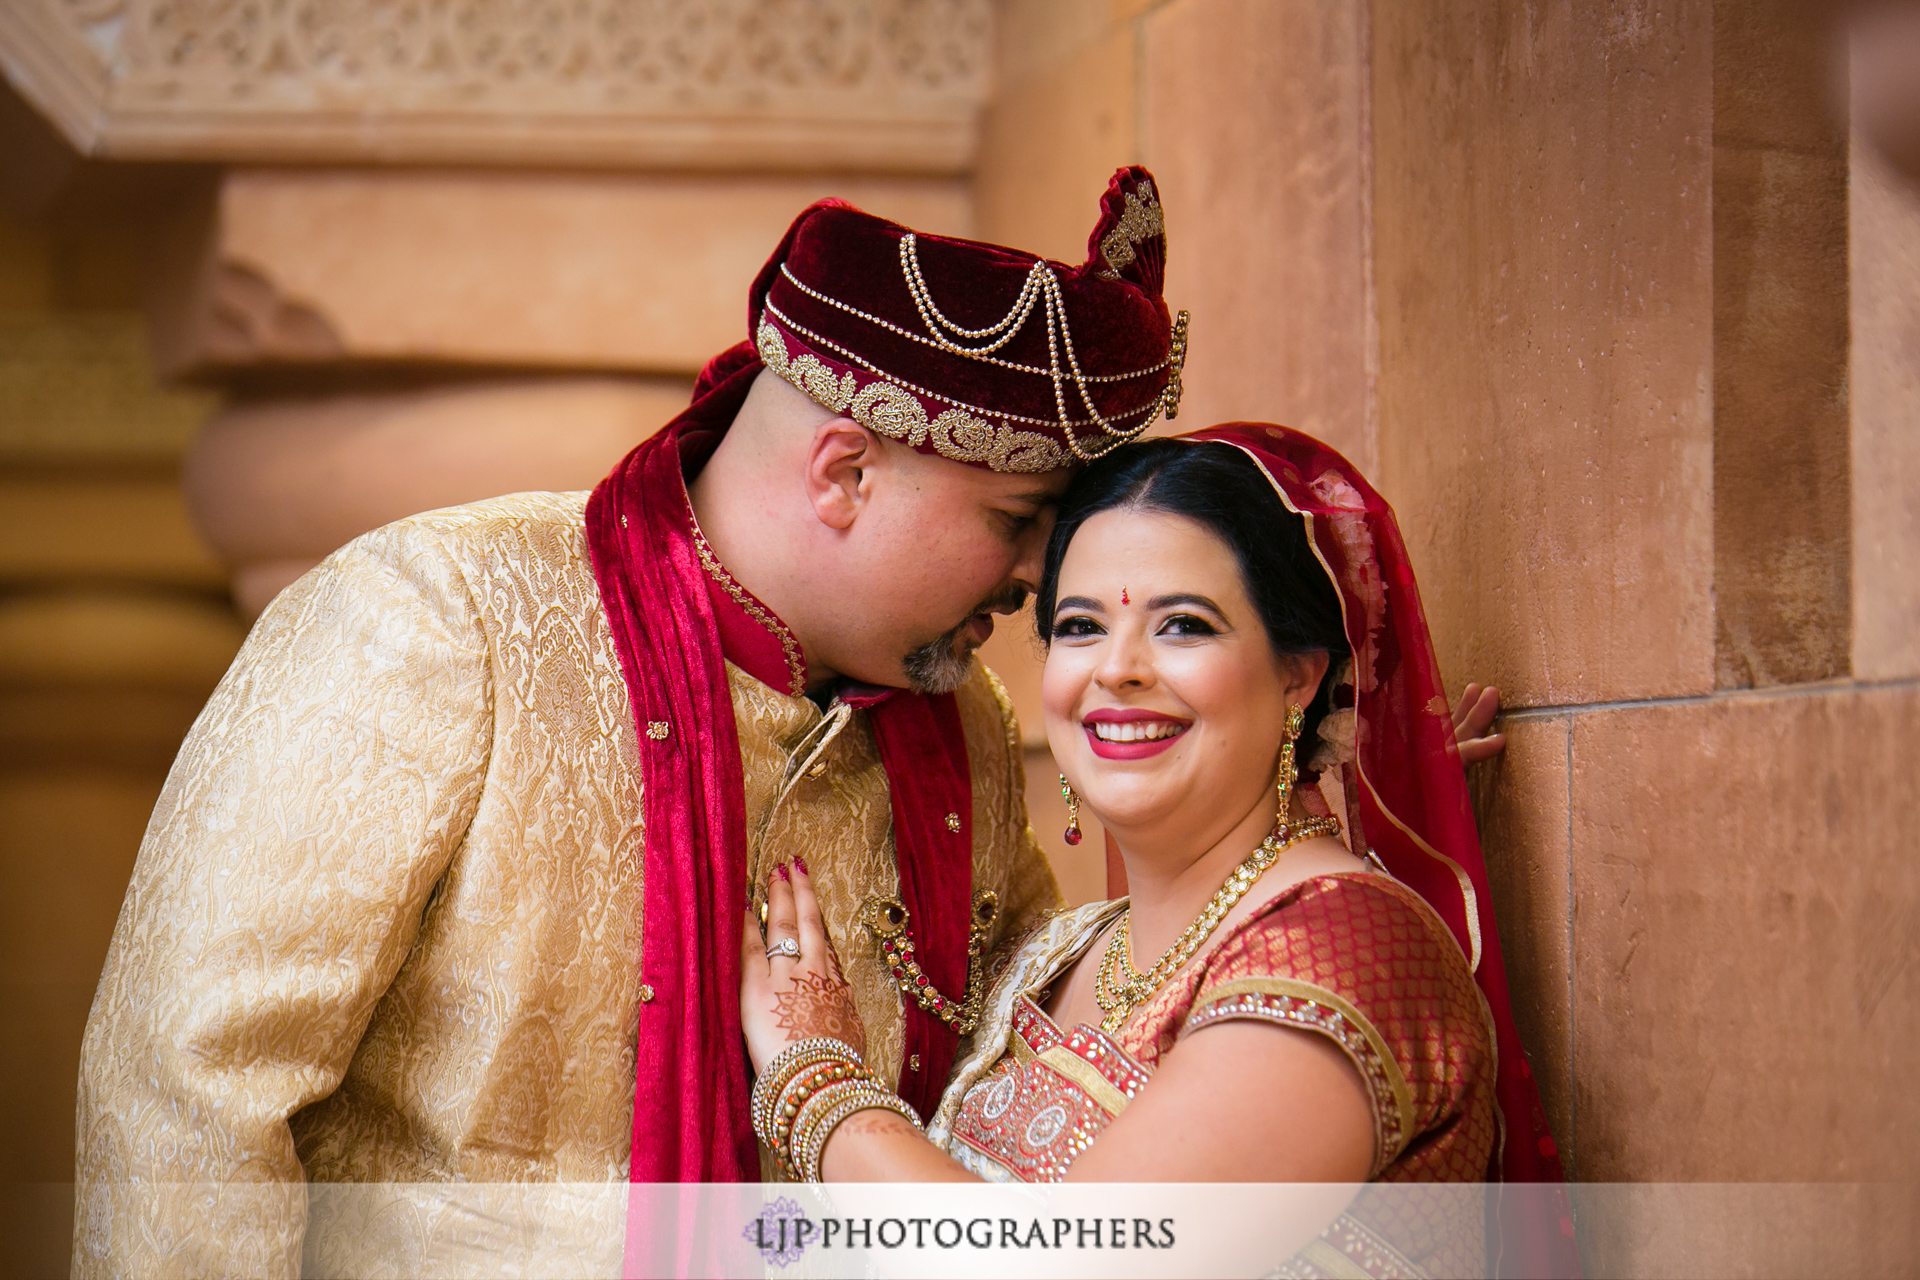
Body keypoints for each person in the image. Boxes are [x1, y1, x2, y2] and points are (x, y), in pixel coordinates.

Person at [72, 170, 1190, 1277]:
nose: (1042, 573)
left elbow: (1035, 1073)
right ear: (845, 470)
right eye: (1015, 520)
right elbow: (189, 1093)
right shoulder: (446, 618)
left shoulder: (963, 725)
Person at [741, 426, 1576, 1279]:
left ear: (1296, 674)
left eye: (1183, 625)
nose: (1119, 670)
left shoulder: (1352, 947)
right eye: (1080, 626)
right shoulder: (1065, 953)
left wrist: (817, 1083)